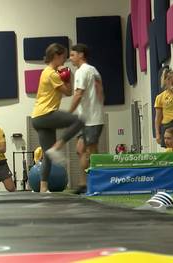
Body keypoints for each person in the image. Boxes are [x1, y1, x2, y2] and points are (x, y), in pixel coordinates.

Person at [31, 43, 85, 193]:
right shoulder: (51, 74)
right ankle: (58, 145)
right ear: (56, 56)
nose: (65, 59)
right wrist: (69, 76)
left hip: (37, 117)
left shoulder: (46, 72)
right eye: (63, 56)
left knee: (47, 154)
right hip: (45, 114)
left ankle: (43, 188)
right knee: (79, 120)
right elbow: (68, 92)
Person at [68, 43, 104, 195]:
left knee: (92, 153)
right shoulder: (93, 70)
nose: (70, 59)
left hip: (92, 119)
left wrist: (69, 112)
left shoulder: (82, 71)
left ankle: (97, 184)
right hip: (86, 118)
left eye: (72, 55)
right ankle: (83, 184)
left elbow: (78, 94)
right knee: (80, 150)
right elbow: (101, 92)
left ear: (81, 55)